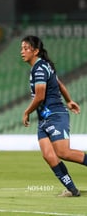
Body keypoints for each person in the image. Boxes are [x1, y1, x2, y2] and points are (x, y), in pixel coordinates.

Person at [21, 35, 87, 197]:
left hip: (55, 115)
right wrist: (69, 100)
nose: (22, 52)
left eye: (26, 48)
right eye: (21, 48)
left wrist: (26, 112)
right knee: (49, 156)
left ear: (36, 51)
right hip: (44, 119)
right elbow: (59, 84)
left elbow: (40, 96)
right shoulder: (42, 66)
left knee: (63, 152)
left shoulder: (39, 68)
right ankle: (72, 190)